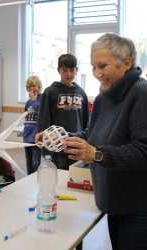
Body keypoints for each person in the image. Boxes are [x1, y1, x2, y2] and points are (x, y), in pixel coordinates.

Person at [63, 33, 147, 250]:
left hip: (138, 207)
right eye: (93, 67)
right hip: (113, 202)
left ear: (127, 62)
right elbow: (93, 136)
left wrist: (97, 155)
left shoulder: (141, 94)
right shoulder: (103, 98)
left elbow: (143, 151)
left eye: (102, 66)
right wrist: (66, 138)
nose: (97, 74)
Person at [36, 54, 89, 170]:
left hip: (76, 146)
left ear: (77, 70)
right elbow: (43, 121)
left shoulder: (81, 93)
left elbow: (86, 123)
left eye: (72, 70)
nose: (69, 74)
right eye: (65, 70)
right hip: (56, 149)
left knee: (75, 178)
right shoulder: (50, 92)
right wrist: (46, 147)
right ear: (58, 70)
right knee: (57, 180)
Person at [23, 75, 42, 174]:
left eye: (35, 86)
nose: (33, 88)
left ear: (39, 87)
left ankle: (36, 180)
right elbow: (26, 118)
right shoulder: (28, 103)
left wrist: (34, 101)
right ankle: (28, 179)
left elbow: (41, 116)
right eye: (30, 86)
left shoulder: (41, 100)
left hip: (36, 137)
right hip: (27, 137)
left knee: (36, 162)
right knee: (29, 162)